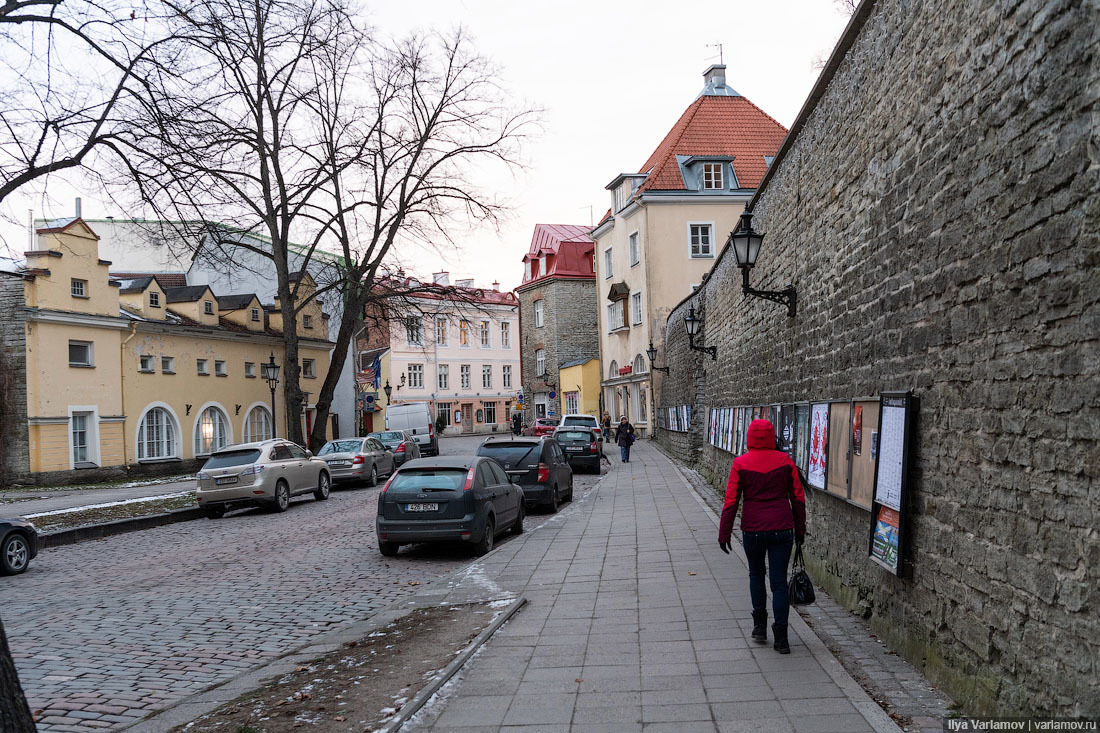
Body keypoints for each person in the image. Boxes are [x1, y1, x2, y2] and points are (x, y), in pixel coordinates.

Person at [718, 418, 806, 654]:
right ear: (770, 437)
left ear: (749, 438)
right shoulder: (785, 462)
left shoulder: (740, 463)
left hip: (753, 529)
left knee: (756, 574)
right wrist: (800, 531)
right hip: (782, 528)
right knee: (778, 582)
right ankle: (782, 637)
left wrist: (724, 532)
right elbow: (798, 499)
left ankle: (759, 626)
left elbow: (731, 500)